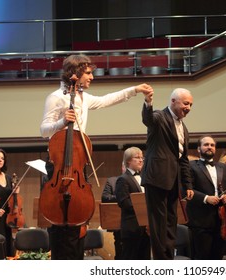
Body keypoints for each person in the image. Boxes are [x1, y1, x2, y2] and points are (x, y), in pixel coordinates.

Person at [39, 54, 153, 260]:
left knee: (77, 226)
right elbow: (44, 131)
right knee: (59, 228)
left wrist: (134, 90)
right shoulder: (56, 97)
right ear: (75, 73)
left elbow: (107, 100)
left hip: (78, 165)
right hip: (58, 166)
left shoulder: (82, 97)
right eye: (89, 73)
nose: (92, 77)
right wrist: (62, 122)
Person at [141, 87, 194, 260]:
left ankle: (168, 260)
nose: (189, 108)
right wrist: (148, 102)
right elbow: (148, 119)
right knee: (158, 224)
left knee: (171, 223)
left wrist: (188, 185)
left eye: (191, 105)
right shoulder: (159, 117)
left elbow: (183, 159)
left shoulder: (184, 128)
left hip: (174, 181)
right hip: (156, 178)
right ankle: (160, 263)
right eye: (186, 103)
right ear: (173, 101)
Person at [187, 135, 226, 259]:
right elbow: (186, 189)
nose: (209, 147)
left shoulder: (225, 167)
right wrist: (206, 198)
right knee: (202, 258)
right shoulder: (190, 166)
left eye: (212, 145)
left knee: (218, 257)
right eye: (206, 144)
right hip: (201, 220)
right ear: (198, 148)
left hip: (222, 220)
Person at [115, 147, 151, 260]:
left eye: (142, 157)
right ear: (128, 160)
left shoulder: (144, 178)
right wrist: (144, 207)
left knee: (145, 259)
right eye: (137, 157)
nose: (141, 160)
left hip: (146, 229)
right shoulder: (123, 179)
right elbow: (124, 202)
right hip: (132, 228)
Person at [101, 162, 126, 260]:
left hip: (138, 224)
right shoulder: (112, 181)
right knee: (120, 252)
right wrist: (122, 197)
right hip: (118, 222)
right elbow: (105, 197)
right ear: (122, 167)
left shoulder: (141, 180)